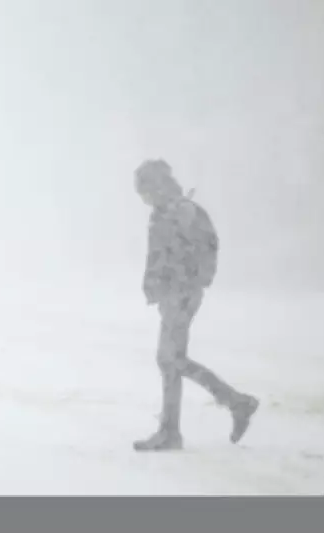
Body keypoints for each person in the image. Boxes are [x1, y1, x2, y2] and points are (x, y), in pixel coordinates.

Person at [133, 159, 259, 451]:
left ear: (159, 185)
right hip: (171, 296)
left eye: (146, 191)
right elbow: (158, 256)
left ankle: (231, 405)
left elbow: (206, 249)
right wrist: (155, 287)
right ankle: (181, 427)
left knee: (170, 360)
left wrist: (186, 285)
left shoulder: (183, 211)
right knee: (171, 360)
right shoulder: (163, 213)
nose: (144, 199)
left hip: (182, 295)